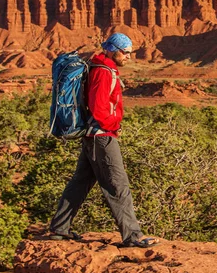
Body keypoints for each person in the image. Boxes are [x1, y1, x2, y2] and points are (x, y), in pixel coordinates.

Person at [49, 33, 159, 248]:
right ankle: (133, 236)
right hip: (102, 136)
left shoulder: (102, 68)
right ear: (111, 49)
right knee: (118, 185)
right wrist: (113, 123)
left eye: (130, 52)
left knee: (80, 182)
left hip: (94, 136)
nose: (128, 56)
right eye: (124, 52)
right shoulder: (103, 72)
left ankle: (60, 229)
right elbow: (99, 108)